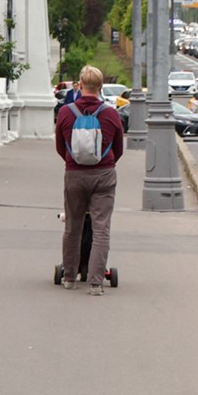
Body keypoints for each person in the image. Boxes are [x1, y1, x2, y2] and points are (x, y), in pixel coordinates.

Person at [56, 65, 126, 295]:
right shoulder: (111, 114)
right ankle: (96, 282)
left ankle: (69, 277)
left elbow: (59, 147)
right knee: (101, 228)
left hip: (74, 174)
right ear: (101, 86)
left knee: (72, 227)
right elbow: (118, 148)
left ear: (80, 84)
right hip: (104, 174)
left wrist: (74, 163)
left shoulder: (66, 112)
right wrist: (104, 164)